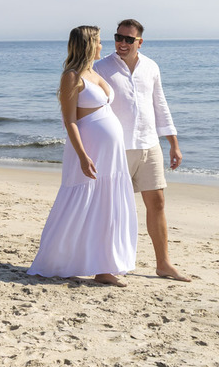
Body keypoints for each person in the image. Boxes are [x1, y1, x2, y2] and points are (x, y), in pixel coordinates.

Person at [28, 25, 138, 286]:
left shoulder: (94, 73)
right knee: (78, 206)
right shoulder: (72, 76)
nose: (102, 45)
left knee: (107, 206)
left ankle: (104, 268)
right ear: (88, 45)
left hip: (111, 156)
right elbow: (70, 121)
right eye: (98, 41)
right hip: (89, 151)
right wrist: (82, 155)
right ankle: (56, 261)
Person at [96, 19, 190, 282]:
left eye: (129, 39)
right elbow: (91, 108)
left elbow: (160, 105)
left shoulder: (151, 67)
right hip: (117, 148)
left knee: (157, 203)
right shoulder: (101, 68)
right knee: (113, 208)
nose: (122, 43)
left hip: (149, 144)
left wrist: (173, 143)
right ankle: (104, 267)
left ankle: (163, 264)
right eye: (118, 37)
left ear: (140, 42)